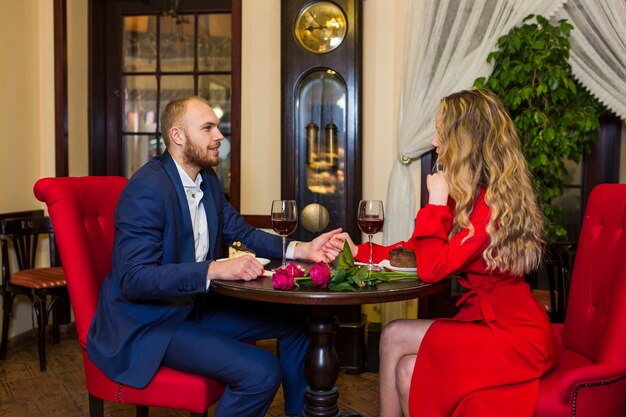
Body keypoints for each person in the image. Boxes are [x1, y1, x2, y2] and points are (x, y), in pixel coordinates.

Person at [86, 96, 344, 417]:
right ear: (178, 136)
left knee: (298, 322)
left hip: (192, 308)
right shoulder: (147, 189)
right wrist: (213, 269)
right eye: (207, 128)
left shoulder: (206, 179)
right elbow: (133, 279)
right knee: (261, 372)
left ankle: (300, 414)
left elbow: (242, 233)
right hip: (150, 324)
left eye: (217, 128)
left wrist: (300, 249)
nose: (220, 136)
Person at [332, 89, 558, 417]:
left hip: (513, 336)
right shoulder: (468, 194)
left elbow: (433, 268)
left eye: (441, 132)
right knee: (402, 357)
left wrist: (436, 201)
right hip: (483, 322)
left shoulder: (488, 204)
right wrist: (363, 251)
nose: (435, 142)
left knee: (397, 341)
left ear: (463, 139)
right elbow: (419, 250)